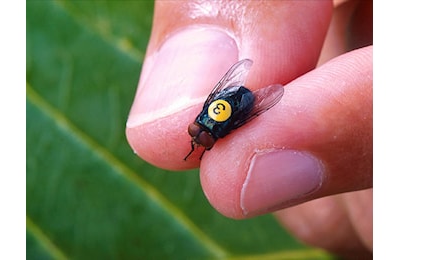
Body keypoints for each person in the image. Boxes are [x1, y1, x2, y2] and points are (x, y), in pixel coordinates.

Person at [126, 0, 372, 258]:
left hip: (245, 102)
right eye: (201, 139)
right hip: (234, 98)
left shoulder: (212, 127)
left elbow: (246, 111)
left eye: (199, 137)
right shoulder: (206, 120)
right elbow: (222, 89)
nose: (198, 141)